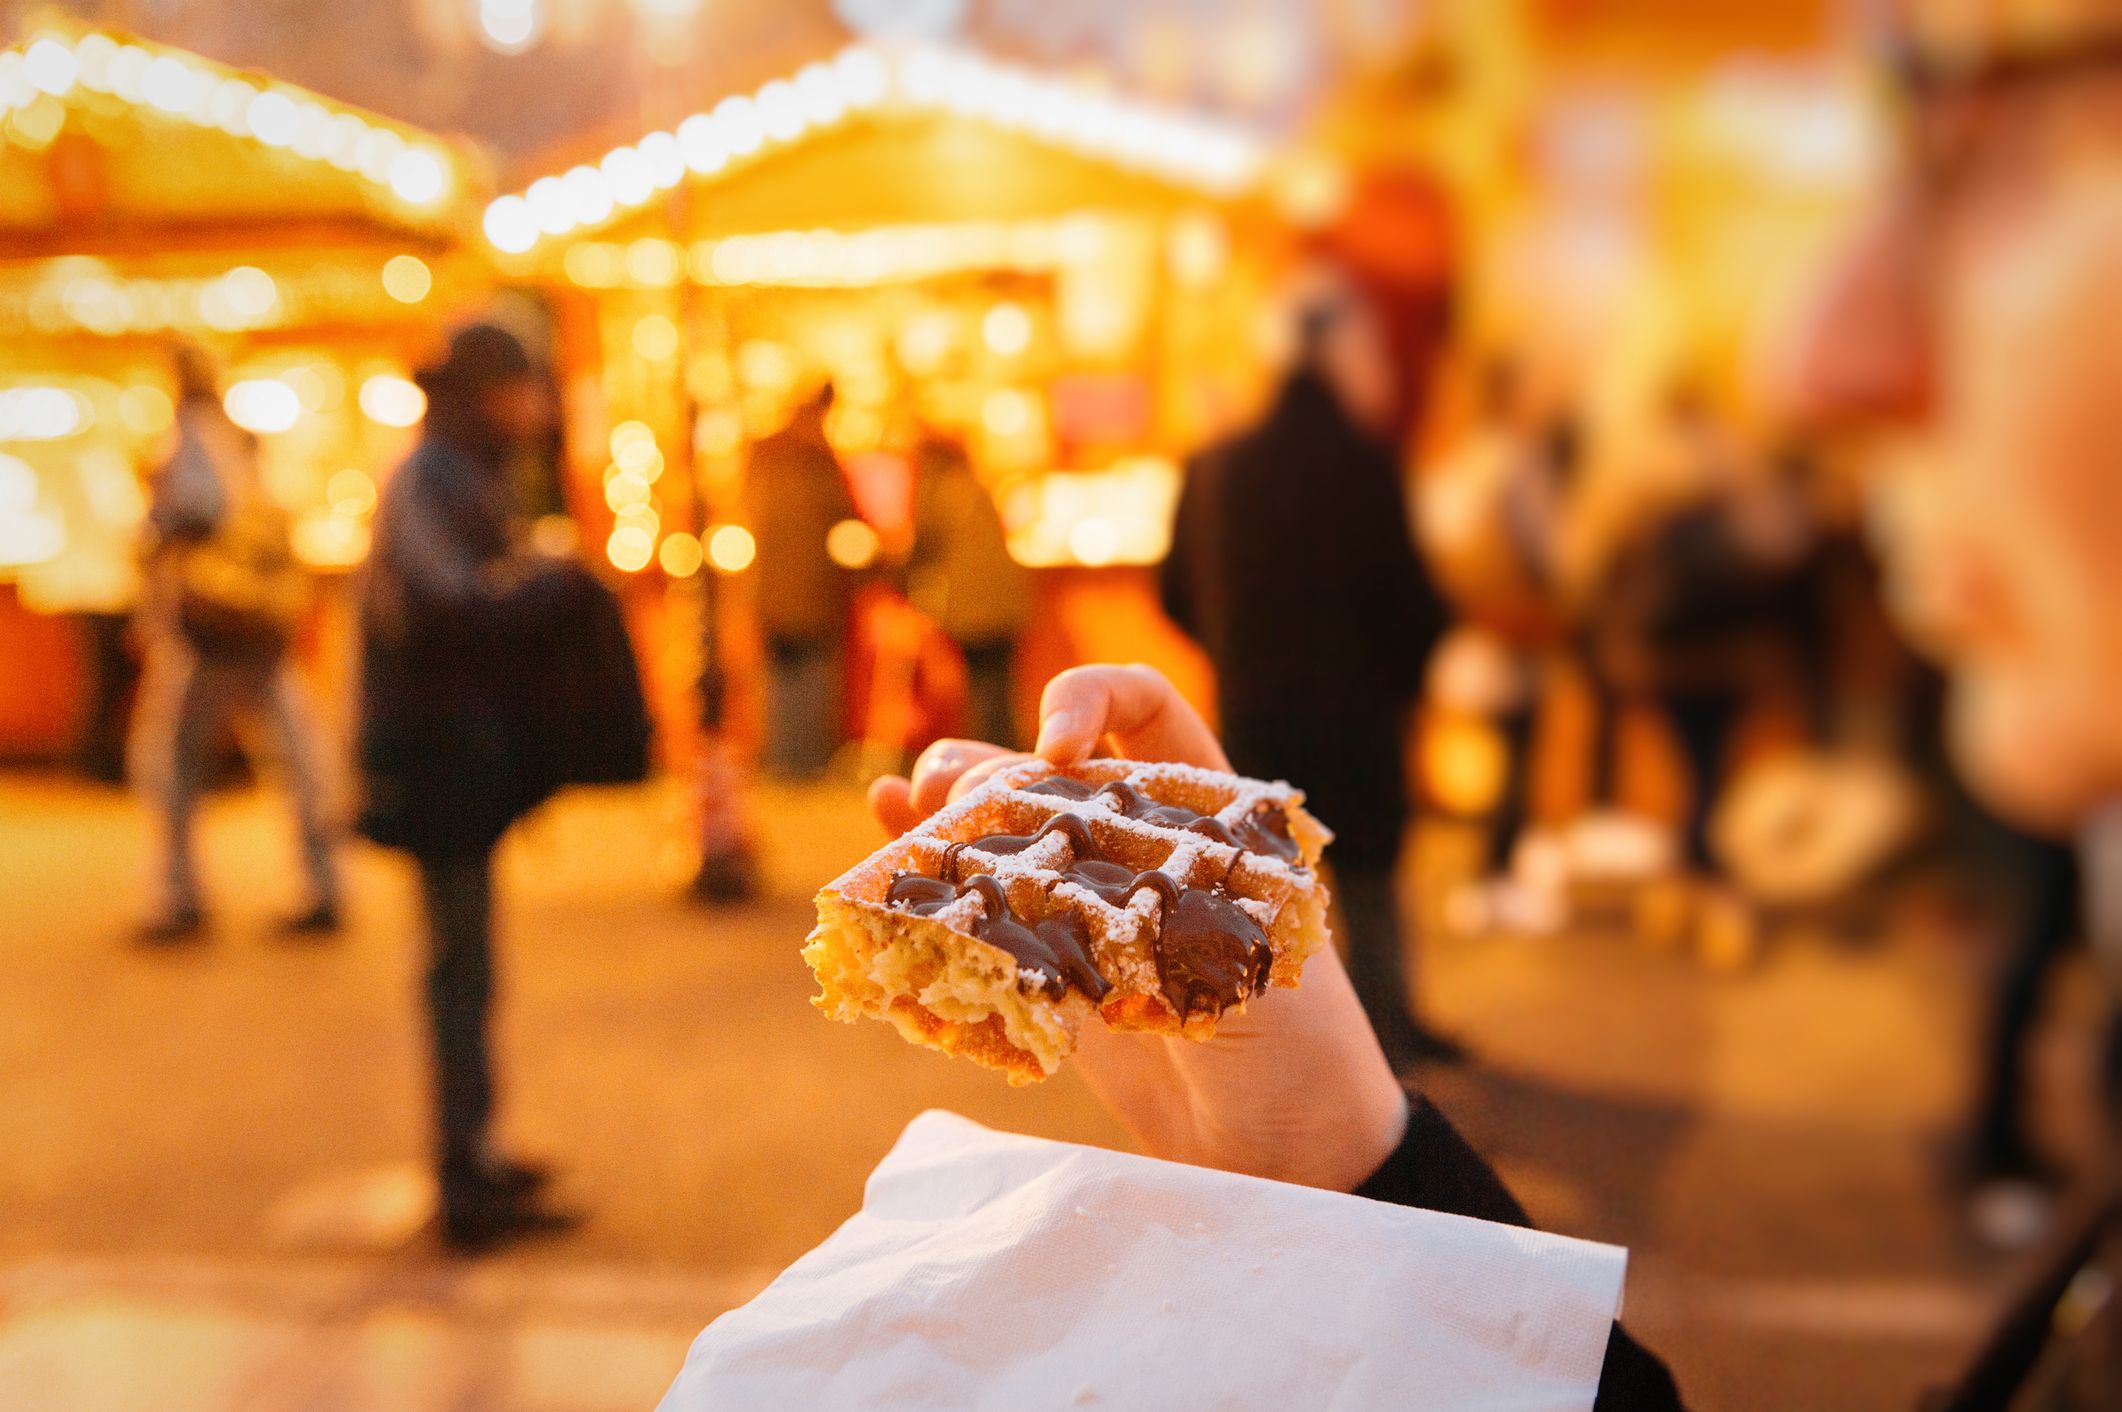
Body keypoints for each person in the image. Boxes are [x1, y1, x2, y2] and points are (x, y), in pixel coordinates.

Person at [1161, 280, 1460, 1069]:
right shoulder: (1364, 463)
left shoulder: (1216, 464)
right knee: (1366, 882)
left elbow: (1173, 591)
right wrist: (1401, 685)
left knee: (1260, 884)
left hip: (1256, 710)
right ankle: (1389, 1041)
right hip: (1357, 715)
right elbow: (1414, 603)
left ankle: (1275, 1051)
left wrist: (1236, 655)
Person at [357, 324, 582, 1252]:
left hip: (452, 751)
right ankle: (463, 1173)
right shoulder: (432, 477)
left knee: (470, 964)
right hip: (431, 757)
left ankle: (476, 1147)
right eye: (527, 388)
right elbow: (442, 601)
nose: (539, 407)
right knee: (457, 968)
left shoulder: (461, 468)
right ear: (493, 392)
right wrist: (541, 588)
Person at [129, 344, 341, 943]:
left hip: (213, 631)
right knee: (295, 758)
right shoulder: (234, 437)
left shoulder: (193, 439)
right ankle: (320, 885)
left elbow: (199, 512)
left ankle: (180, 896)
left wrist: (157, 541)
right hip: (246, 630)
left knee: (172, 765)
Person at [745, 383, 859, 780]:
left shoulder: (763, 455)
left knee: (781, 681)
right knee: (813, 680)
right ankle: (808, 767)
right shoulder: (817, 460)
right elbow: (844, 525)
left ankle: (782, 764)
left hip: (769, 594)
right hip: (813, 594)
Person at [908, 433, 1032, 749]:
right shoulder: (975, 485)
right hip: (1004, 602)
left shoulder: (936, 490)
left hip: (971, 607)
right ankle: (1006, 752)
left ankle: (988, 754)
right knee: (999, 685)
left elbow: (923, 546)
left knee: (980, 685)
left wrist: (902, 579)